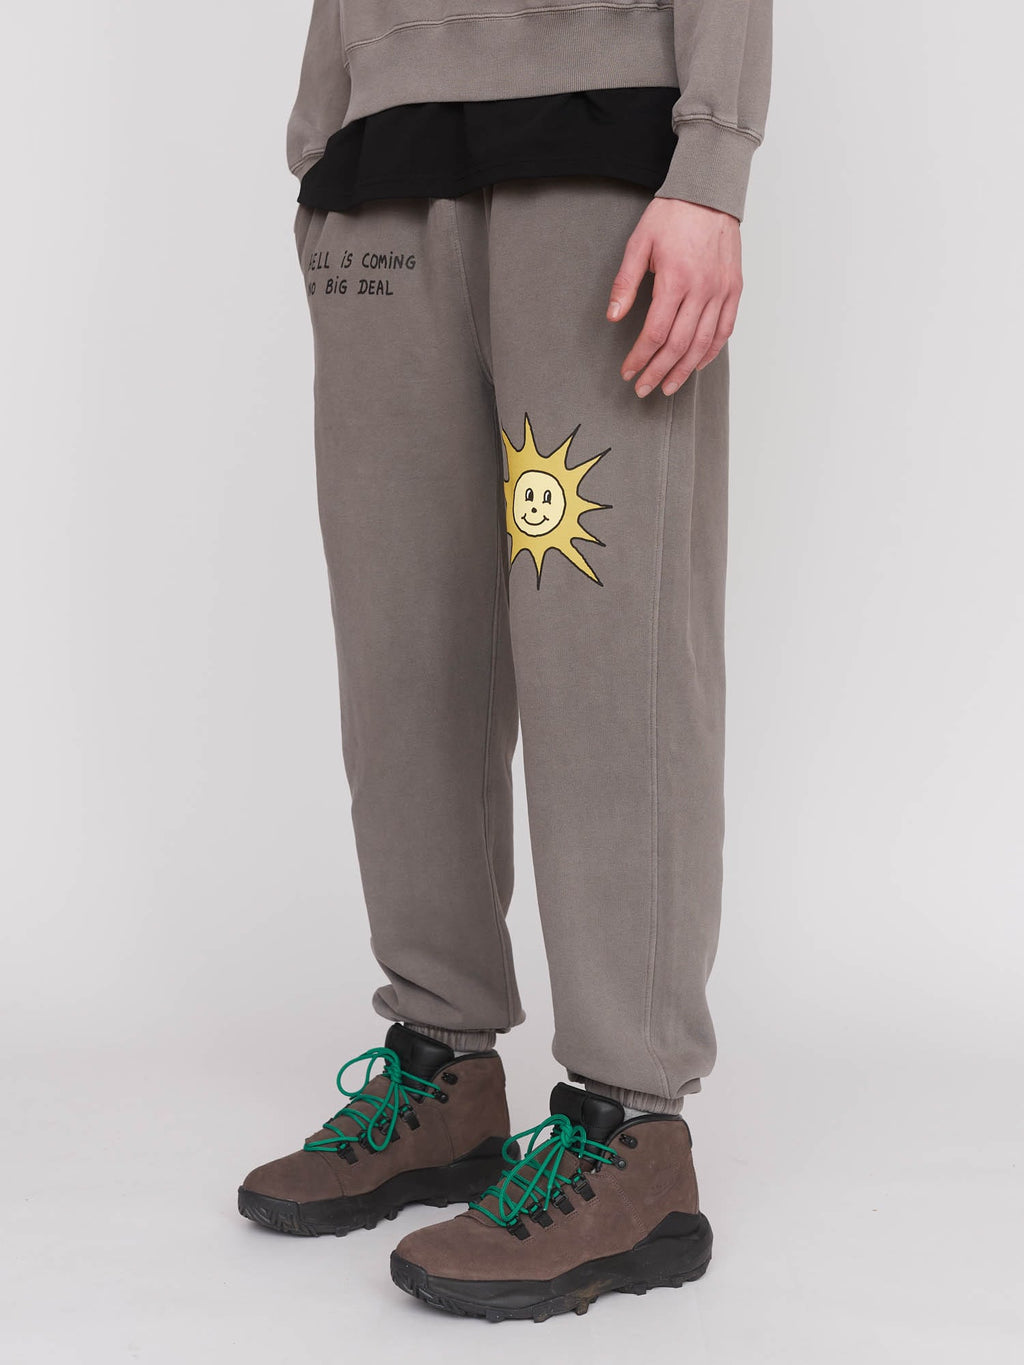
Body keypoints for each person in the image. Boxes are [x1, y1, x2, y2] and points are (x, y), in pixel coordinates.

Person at [238, 0, 772, 1322]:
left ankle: (631, 1128)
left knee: (610, 651)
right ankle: (443, 1065)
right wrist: (320, 140)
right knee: (401, 646)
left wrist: (711, 161)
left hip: (597, 152)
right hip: (382, 171)